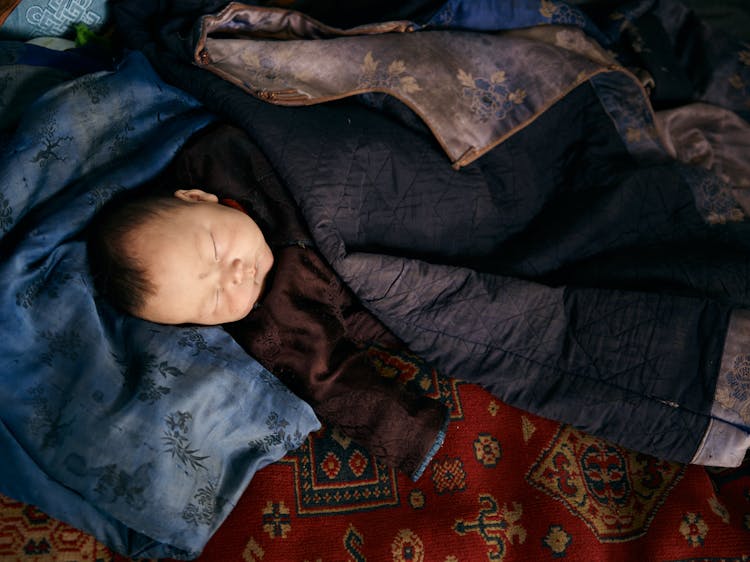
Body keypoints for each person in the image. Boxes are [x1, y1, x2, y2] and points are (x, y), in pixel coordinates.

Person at [87, 123, 449, 480]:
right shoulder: (277, 326)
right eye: (214, 301)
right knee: (428, 319)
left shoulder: (225, 163)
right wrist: (412, 435)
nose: (232, 276)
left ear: (198, 197)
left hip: (371, 188)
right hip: (377, 285)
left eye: (214, 249)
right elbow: (330, 381)